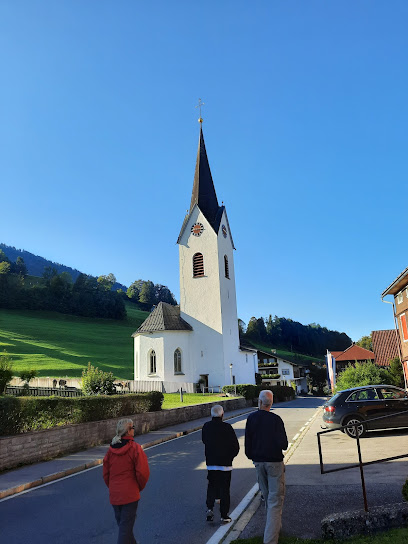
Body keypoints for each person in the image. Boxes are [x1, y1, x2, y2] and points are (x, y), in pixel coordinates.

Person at [245, 390, 288, 544]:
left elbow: (247, 444)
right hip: (275, 463)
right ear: (271, 403)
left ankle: (276, 529)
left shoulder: (251, 418)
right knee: (276, 501)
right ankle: (270, 540)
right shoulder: (276, 420)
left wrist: (252, 456)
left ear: (259, 402)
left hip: (258, 462)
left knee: (268, 497)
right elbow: (284, 444)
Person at [103, 418, 150, 544]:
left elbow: (106, 474)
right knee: (125, 530)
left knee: (124, 528)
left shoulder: (110, 451)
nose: (134, 429)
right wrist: (137, 488)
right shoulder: (135, 449)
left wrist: (113, 487)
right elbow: (143, 473)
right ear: (128, 431)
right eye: (133, 427)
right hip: (130, 496)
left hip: (115, 495)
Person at [202, 404, 240, 523]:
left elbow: (204, 441)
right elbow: (235, 446)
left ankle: (209, 508)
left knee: (212, 485)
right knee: (225, 489)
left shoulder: (206, 426)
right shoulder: (227, 427)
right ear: (222, 415)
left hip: (211, 463)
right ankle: (224, 515)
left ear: (211, 414)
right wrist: (230, 457)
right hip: (225, 464)